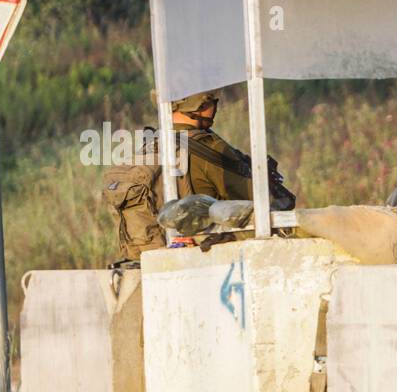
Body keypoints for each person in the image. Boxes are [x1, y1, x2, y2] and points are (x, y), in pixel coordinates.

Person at [102, 91, 296, 265]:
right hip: (203, 260)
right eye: (213, 100)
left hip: (149, 259)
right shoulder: (209, 146)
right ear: (202, 104)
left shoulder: (151, 144)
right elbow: (265, 202)